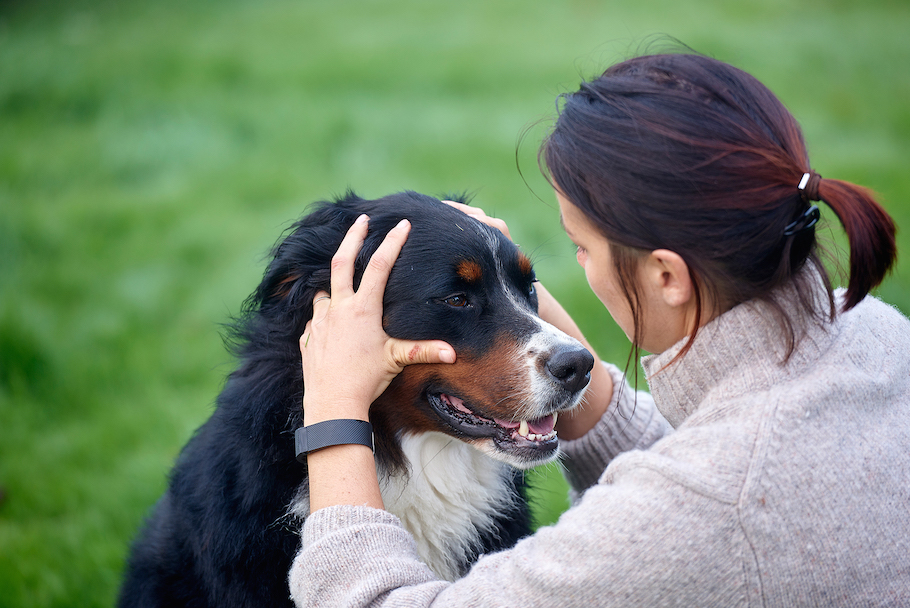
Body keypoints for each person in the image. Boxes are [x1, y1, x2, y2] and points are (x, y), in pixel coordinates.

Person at [289, 53, 910, 606]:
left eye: (581, 247)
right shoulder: (872, 332)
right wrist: (506, 280)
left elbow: (698, 504)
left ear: (667, 276)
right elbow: (701, 466)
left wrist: (335, 404)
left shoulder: (703, 510)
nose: (577, 266)